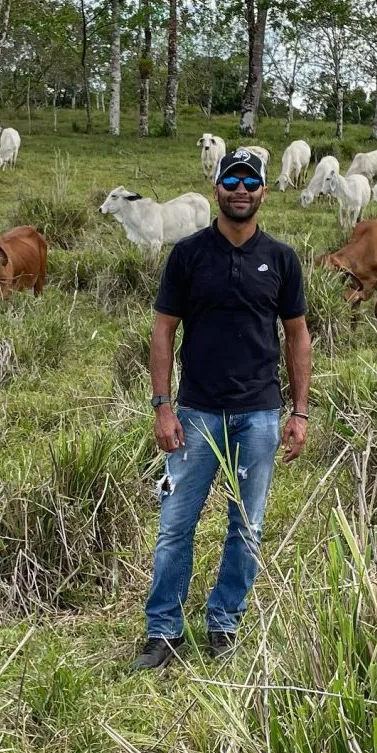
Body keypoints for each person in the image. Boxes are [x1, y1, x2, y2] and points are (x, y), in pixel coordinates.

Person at [131, 148, 312, 670]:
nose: (240, 189)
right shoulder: (188, 255)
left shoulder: (281, 259)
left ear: (263, 191)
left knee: (247, 527)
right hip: (195, 414)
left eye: (250, 181)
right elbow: (163, 331)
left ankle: (224, 622)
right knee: (175, 525)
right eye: (231, 180)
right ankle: (163, 631)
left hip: (259, 416)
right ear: (216, 188)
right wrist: (162, 406)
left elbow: (297, 336)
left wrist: (299, 412)